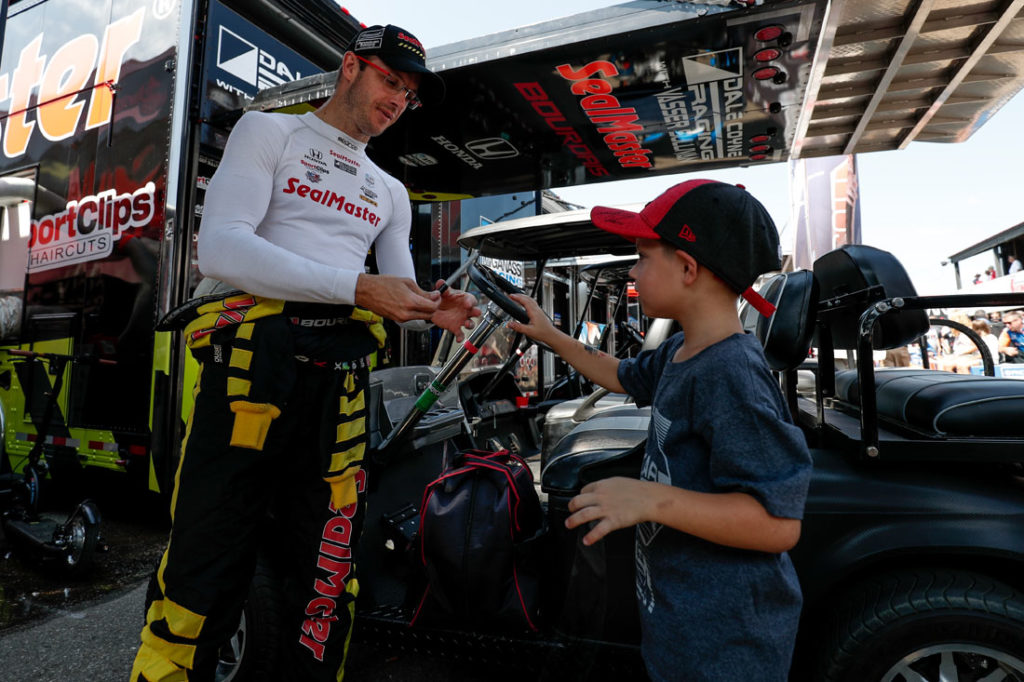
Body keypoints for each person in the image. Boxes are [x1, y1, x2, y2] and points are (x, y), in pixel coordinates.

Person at [131, 25, 479, 682]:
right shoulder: (270, 132)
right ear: (350, 66)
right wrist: (357, 287)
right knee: (201, 572)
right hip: (251, 372)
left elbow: (395, 290)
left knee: (326, 584)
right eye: (389, 81)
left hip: (342, 386)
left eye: (408, 93)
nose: (397, 100)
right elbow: (224, 250)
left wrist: (437, 309)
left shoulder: (391, 191)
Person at [507, 180, 812, 681]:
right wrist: (548, 333)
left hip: (726, 646)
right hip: (680, 626)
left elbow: (776, 524)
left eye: (642, 256)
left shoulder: (730, 375)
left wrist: (648, 500)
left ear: (688, 269)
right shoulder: (681, 351)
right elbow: (617, 374)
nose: (632, 270)